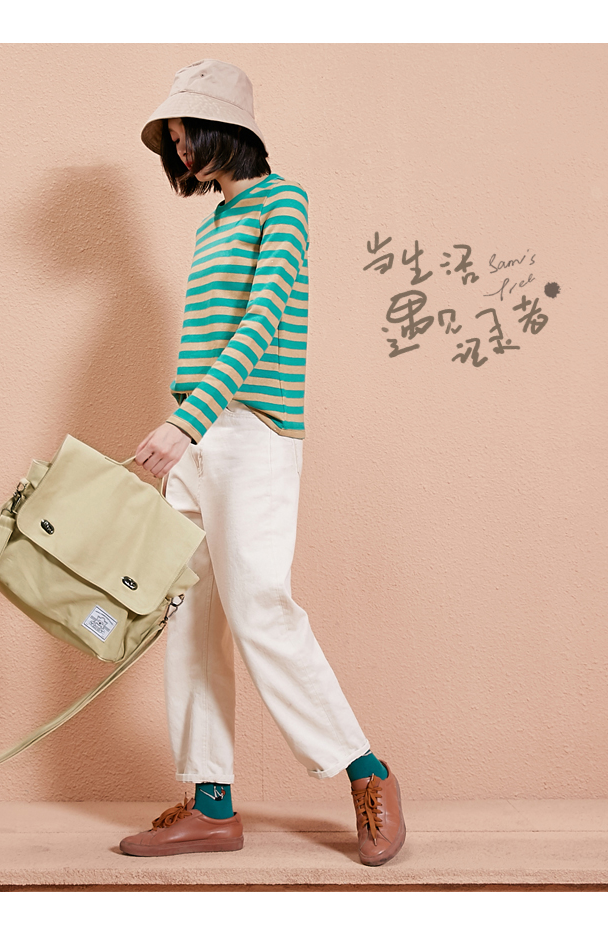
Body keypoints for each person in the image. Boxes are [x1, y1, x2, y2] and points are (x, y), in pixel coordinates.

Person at [118, 59, 405, 868]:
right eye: (174, 141)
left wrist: (189, 421)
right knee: (189, 620)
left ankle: (367, 770)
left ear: (226, 128)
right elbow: (210, 340)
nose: (181, 152)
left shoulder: (286, 202)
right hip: (198, 435)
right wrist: (185, 426)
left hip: (251, 431)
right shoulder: (213, 223)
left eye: (188, 135)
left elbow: (263, 319)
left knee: (259, 609)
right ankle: (211, 804)